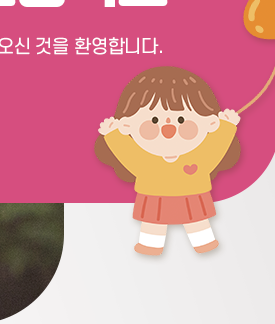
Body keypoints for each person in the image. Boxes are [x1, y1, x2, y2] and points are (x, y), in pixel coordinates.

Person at [96, 66, 242, 256]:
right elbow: (127, 153)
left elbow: (215, 148)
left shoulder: (198, 157)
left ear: (210, 123)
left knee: (196, 221)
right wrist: (113, 135)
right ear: (127, 125)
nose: (168, 129)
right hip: (155, 196)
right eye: (154, 120)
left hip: (189, 194)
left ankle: (203, 243)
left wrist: (227, 127)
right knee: (154, 223)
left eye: (181, 119)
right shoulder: (145, 162)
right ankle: (151, 246)